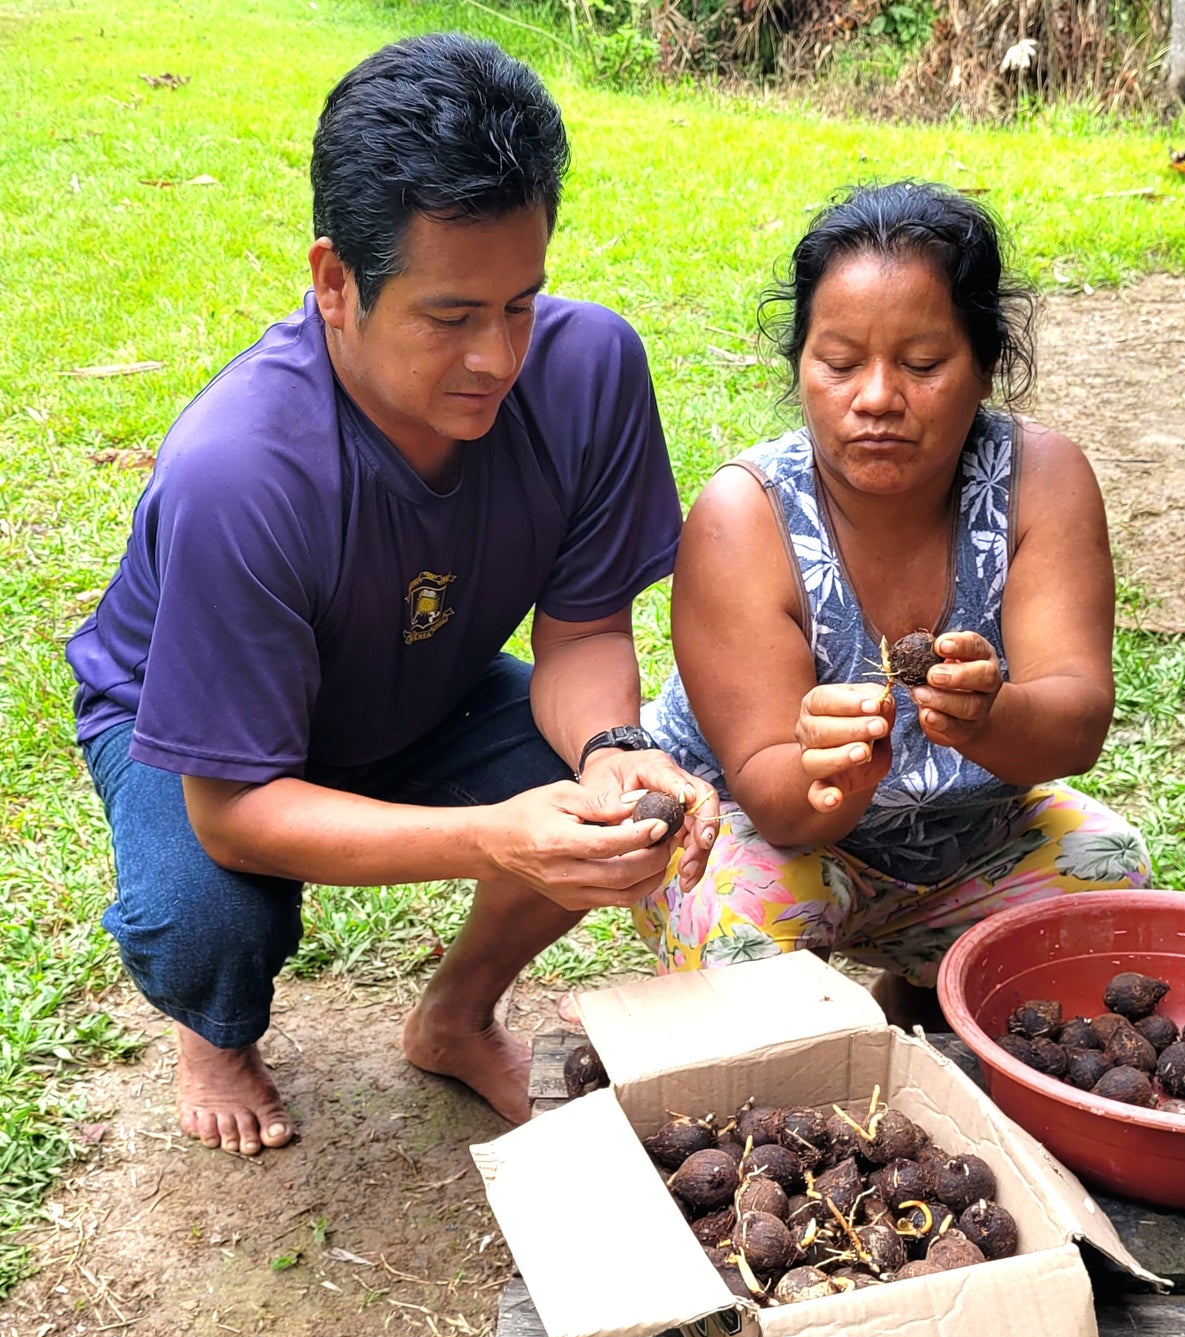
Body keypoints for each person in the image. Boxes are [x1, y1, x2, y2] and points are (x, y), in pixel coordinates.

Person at [65, 33, 716, 1154]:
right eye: (451, 317)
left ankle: (453, 1019)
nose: (498, 357)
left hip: (422, 687)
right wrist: (492, 837)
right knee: (206, 914)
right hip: (193, 736)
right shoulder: (243, 472)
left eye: (521, 304)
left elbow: (582, 634)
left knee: (629, 812)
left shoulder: (592, 369)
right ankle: (215, 1029)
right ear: (335, 283)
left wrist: (611, 748)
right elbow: (236, 812)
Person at [634, 180, 1148, 1029]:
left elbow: (1078, 723)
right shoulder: (745, 514)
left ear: (984, 367)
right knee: (741, 928)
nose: (875, 397)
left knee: (1108, 870)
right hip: (767, 833)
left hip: (965, 834)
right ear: (801, 365)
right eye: (838, 364)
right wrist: (832, 772)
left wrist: (990, 714)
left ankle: (920, 1000)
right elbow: (772, 796)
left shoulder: (1042, 483)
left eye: (921, 365)